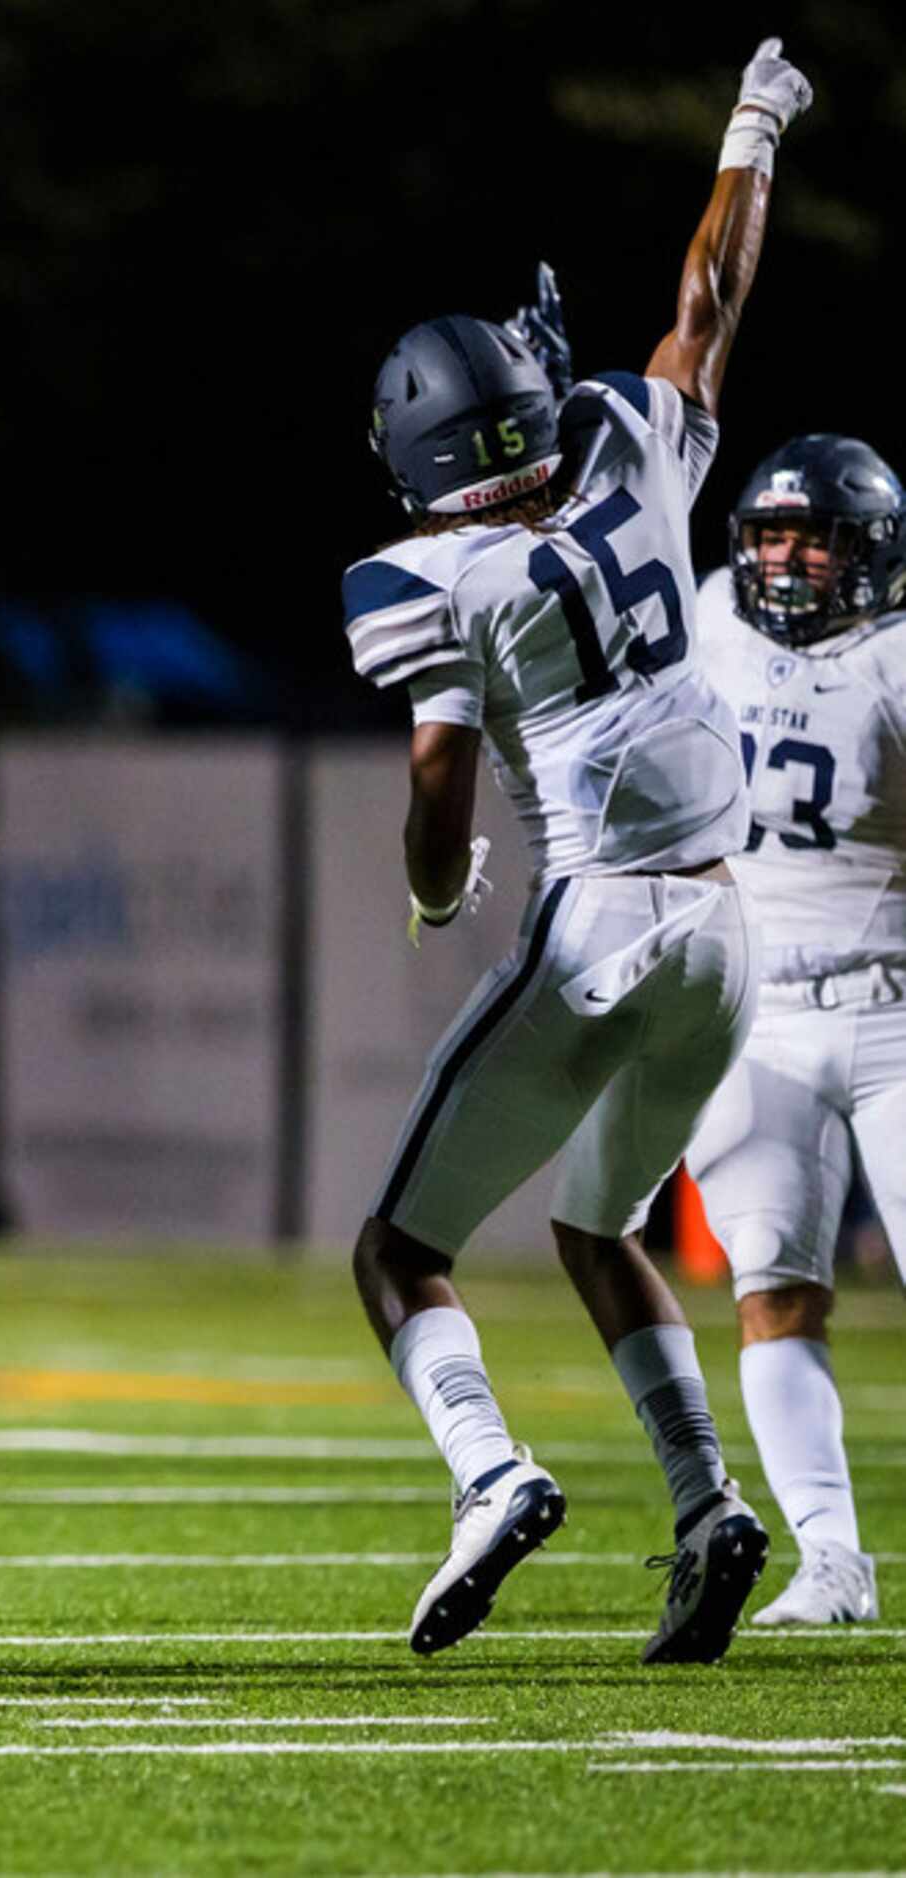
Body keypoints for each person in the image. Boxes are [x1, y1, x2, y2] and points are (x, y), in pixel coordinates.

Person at [336, 37, 810, 1666]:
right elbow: (708, 301)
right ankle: (707, 1503)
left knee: (397, 1248)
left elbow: (439, 773)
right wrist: (752, 125)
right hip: (728, 934)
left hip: (600, 920)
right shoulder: (636, 446)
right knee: (600, 1224)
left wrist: (427, 883)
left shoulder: (425, 576)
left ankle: (491, 1470)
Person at [685, 433, 906, 1625]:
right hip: (759, 1010)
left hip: (895, 1012)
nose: (783, 558)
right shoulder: (716, 615)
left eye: (809, 537)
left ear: (865, 551)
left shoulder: (899, 657)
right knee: (772, 1283)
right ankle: (834, 1563)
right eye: (768, 533)